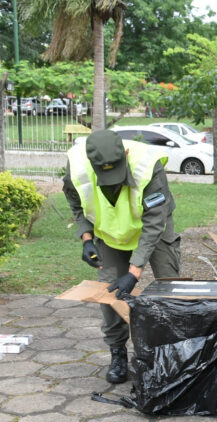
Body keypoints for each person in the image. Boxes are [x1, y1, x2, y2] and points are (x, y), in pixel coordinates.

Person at [63, 130, 181, 383]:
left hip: (154, 228)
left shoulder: (148, 166)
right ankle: (118, 353)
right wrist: (86, 238)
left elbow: (153, 223)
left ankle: (172, 351)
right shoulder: (76, 167)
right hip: (110, 233)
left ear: (125, 154)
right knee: (110, 291)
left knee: (169, 285)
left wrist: (134, 271)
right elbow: (76, 202)